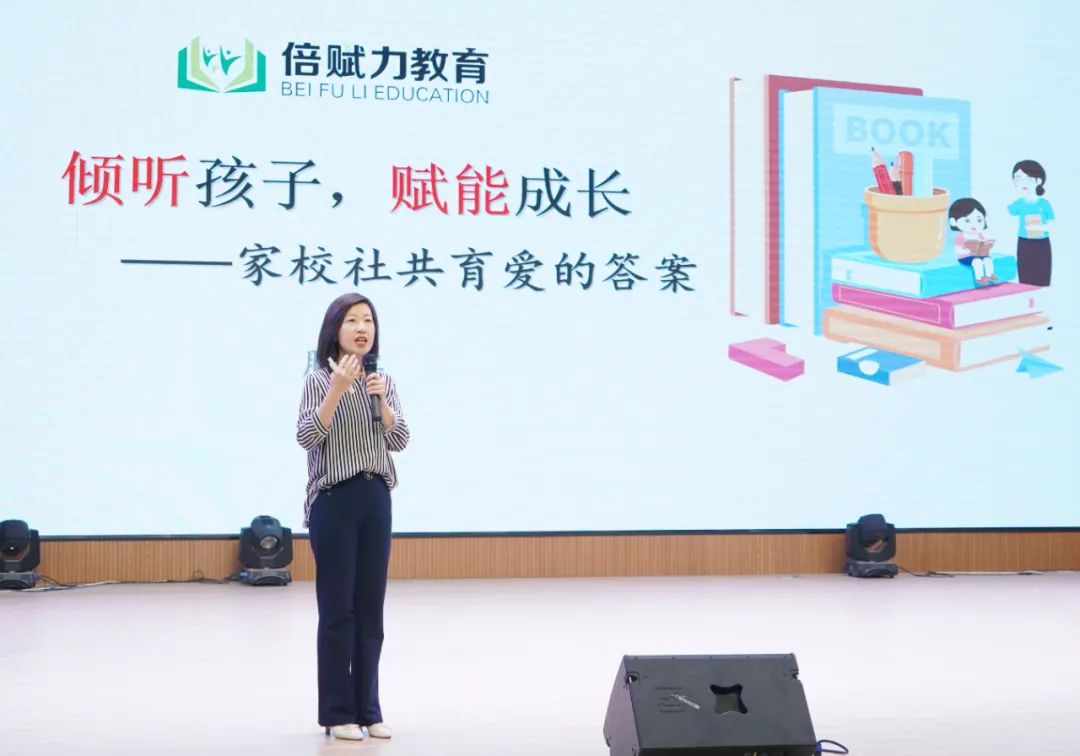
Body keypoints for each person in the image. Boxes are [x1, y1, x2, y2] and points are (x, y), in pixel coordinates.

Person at [296, 292, 410, 741]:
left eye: (368, 320)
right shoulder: (317, 380)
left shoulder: (383, 380)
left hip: (375, 497)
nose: (362, 328)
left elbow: (400, 440)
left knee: (370, 609)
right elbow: (307, 436)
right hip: (334, 499)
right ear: (334, 329)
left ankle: (368, 709)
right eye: (352, 320)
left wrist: (382, 403)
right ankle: (337, 712)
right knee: (337, 610)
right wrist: (337, 390)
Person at [1007, 160, 1054, 286]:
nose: (1022, 182)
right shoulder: (1018, 203)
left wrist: (1039, 227)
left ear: (1039, 181)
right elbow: (1005, 214)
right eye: (1018, 178)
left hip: (1042, 242)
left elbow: (1053, 224)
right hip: (1024, 242)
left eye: (1028, 178)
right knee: (1025, 276)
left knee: (1043, 275)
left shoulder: (1044, 204)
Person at [947, 198, 998, 286]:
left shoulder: (979, 235)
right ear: (953, 222)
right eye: (967, 220)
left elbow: (983, 244)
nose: (974, 225)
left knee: (988, 259)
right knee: (977, 262)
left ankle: (990, 274)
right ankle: (980, 277)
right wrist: (969, 250)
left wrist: (988, 245)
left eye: (979, 220)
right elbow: (958, 250)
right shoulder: (961, 237)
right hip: (965, 258)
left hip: (979, 255)